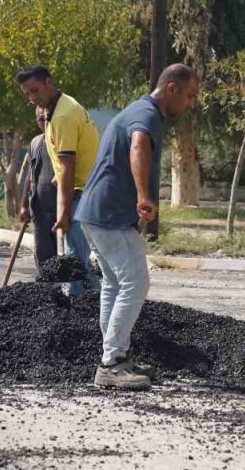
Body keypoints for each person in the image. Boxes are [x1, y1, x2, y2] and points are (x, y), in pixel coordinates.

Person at [76, 63, 199, 390]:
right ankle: (111, 363)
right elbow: (139, 145)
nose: (191, 103)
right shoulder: (146, 115)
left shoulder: (141, 110)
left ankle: (117, 356)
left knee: (114, 284)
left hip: (95, 211)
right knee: (136, 281)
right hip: (108, 214)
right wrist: (144, 196)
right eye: (189, 96)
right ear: (171, 89)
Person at [15, 64, 100, 298]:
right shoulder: (59, 109)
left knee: (75, 260)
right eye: (28, 94)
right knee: (78, 259)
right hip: (85, 189)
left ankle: (82, 305)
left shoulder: (62, 116)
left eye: (35, 90)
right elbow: (66, 162)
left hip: (83, 192)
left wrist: (63, 213)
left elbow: (67, 168)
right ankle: (91, 302)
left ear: (48, 82)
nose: (32, 98)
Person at [18, 106, 58, 271]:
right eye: (42, 119)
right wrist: (24, 205)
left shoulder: (62, 140)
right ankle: (45, 285)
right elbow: (30, 175)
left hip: (61, 211)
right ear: (37, 121)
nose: (46, 122)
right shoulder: (35, 143)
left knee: (63, 260)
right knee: (43, 258)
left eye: (49, 118)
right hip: (40, 211)